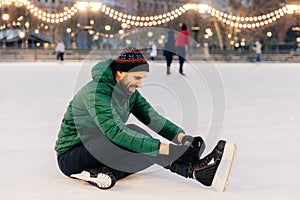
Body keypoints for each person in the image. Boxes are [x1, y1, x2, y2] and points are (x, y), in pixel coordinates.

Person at [54, 47, 235, 191]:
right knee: (138, 137)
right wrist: (169, 149)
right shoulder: (96, 92)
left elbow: (152, 117)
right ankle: (190, 171)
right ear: (121, 73)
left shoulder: (128, 92)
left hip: (101, 149)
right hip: (72, 155)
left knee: (145, 153)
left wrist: (182, 138)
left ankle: (105, 173)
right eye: (137, 77)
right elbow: (115, 132)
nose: (140, 84)